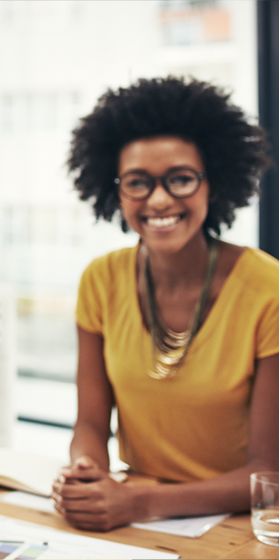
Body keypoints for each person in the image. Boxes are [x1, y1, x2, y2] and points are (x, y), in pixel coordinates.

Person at [52, 76, 279, 531]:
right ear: (116, 191)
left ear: (212, 183)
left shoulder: (267, 288)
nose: (159, 200)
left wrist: (138, 502)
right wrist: (86, 469)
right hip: (136, 516)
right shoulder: (101, 279)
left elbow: (268, 473)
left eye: (180, 179)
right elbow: (91, 426)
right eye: (138, 182)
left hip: (234, 526)